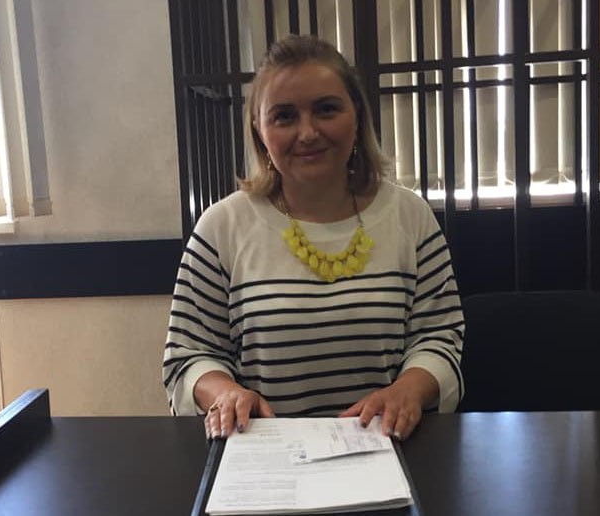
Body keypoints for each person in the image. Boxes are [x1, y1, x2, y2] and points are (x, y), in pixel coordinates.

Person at [162, 35, 463, 441]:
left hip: (389, 448)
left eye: (326, 109)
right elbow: (189, 354)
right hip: (264, 457)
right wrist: (226, 393)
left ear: (357, 115)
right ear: (259, 129)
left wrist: (408, 389)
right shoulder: (221, 227)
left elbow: (439, 336)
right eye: (284, 116)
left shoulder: (410, 215)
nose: (307, 133)